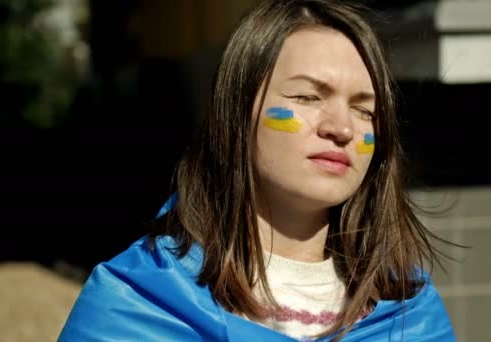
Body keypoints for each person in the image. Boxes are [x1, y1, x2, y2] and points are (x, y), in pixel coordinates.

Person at [59, 0, 456, 341]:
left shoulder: (410, 315)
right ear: (236, 112)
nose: (342, 128)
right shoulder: (136, 306)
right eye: (307, 96)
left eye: (363, 109)